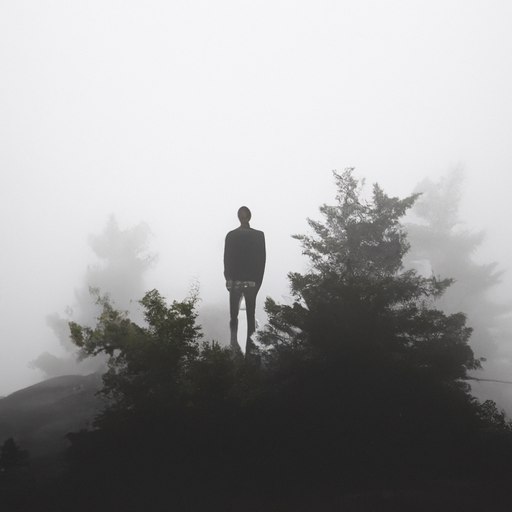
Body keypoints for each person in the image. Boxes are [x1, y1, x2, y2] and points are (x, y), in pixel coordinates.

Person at [224, 206, 266, 356]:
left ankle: (234, 345)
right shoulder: (259, 235)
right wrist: (258, 283)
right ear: (250, 216)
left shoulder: (231, 235)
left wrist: (228, 279)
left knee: (234, 316)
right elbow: (262, 261)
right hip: (252, 282)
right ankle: (250, 348)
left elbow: (227, 259)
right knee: (250, 316)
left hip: (235, 281)